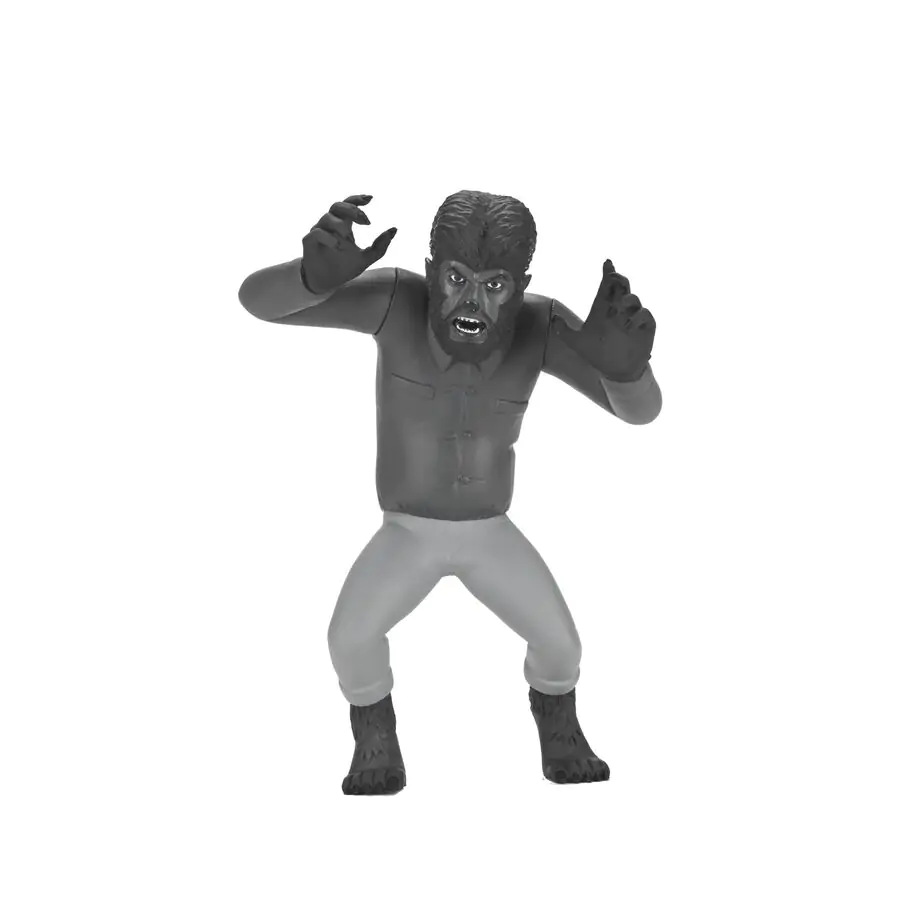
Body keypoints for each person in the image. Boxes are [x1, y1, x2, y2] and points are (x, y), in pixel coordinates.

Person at [238, 190, 662, 794]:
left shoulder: (539, 325)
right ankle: (375, 737)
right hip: (407, 531)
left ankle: (560, 728)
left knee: (561, 646)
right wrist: (310, 277)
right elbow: (256, 301)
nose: (472, 303)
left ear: (521, 287)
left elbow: (640, 412)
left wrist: (628, 370)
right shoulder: (395, 302)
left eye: (495, 287)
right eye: (457, 279)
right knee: (349, 638)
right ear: (432, 272)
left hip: (490, 531)